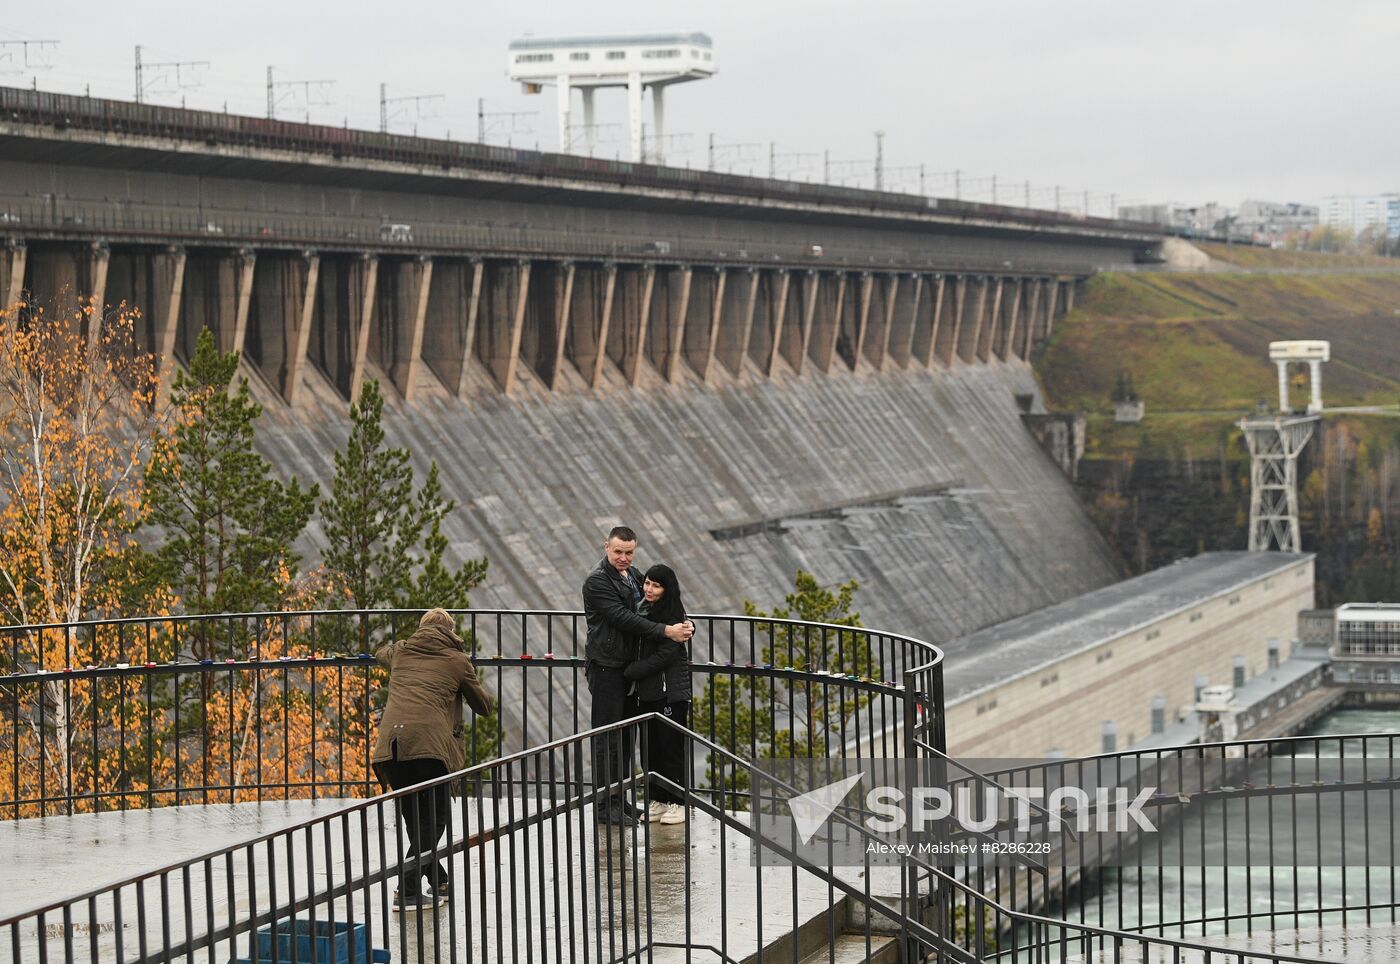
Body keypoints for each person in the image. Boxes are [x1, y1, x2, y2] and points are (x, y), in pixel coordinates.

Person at [372, 608, 493, 912]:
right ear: (451, 632)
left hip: (391, 747)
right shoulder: (458, 661)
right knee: (436, 819)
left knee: (416, 820)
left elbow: (379, 652)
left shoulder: (400, 652)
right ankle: (407, 888)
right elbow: (484, 706)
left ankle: (438, 879)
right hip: (430, 746)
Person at [583, 526, 693, 825]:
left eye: (629, 552)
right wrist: (667, 631)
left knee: (626, 738)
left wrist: (682, 623)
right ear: (606, 547)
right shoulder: (597, 581)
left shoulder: (633, 576)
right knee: (608, 739)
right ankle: (607, 807)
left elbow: (656, 605)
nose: (623, 557)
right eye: (618, 551)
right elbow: (623, 618)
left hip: (629, 671)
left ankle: (621, 801)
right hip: (607, 668)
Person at [625, 563, 693, 826]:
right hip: (648, 693)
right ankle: (658, 800)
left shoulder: (673, 613)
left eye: (656, 585)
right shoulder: (643, 609)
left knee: (670, 750)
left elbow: (667, 655)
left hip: (669, 693)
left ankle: (679, 802)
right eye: (647, 583)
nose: (649, 589)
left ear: (667, 589)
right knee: (650, 750)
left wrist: (633, 671)